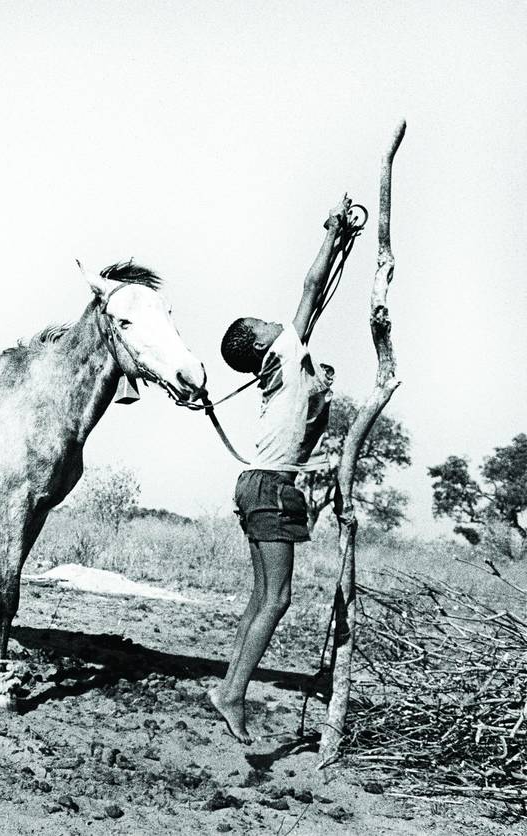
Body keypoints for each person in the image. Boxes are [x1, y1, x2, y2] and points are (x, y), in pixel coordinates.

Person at [207, 195, 352, 744]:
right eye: (264, 323)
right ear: (261, 342)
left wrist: (339, 237)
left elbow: (313, 299)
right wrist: (331, 234)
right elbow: (311, 290)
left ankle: (227, 688)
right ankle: (233, 695)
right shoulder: (286, 353)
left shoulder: (283, 364)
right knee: (277, 600)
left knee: (260, 598)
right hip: (269, 487)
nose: (276, 321)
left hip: (259, 484)